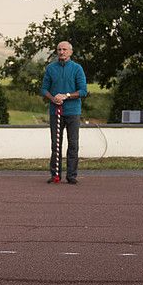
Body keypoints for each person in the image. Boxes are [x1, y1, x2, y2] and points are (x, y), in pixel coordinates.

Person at [41, 41, 88, 184]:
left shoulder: (77, 68)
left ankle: (71, 175)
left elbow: (83, 91)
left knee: (73, 144)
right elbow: (44, 89)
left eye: (64, 49)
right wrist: (53, 98)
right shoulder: (50, 68)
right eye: (59, 49)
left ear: (70, 52)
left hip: (73, 112)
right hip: (56, 112)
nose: (62, 52)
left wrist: (66, 95)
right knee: (56, 144)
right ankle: (55, 174)